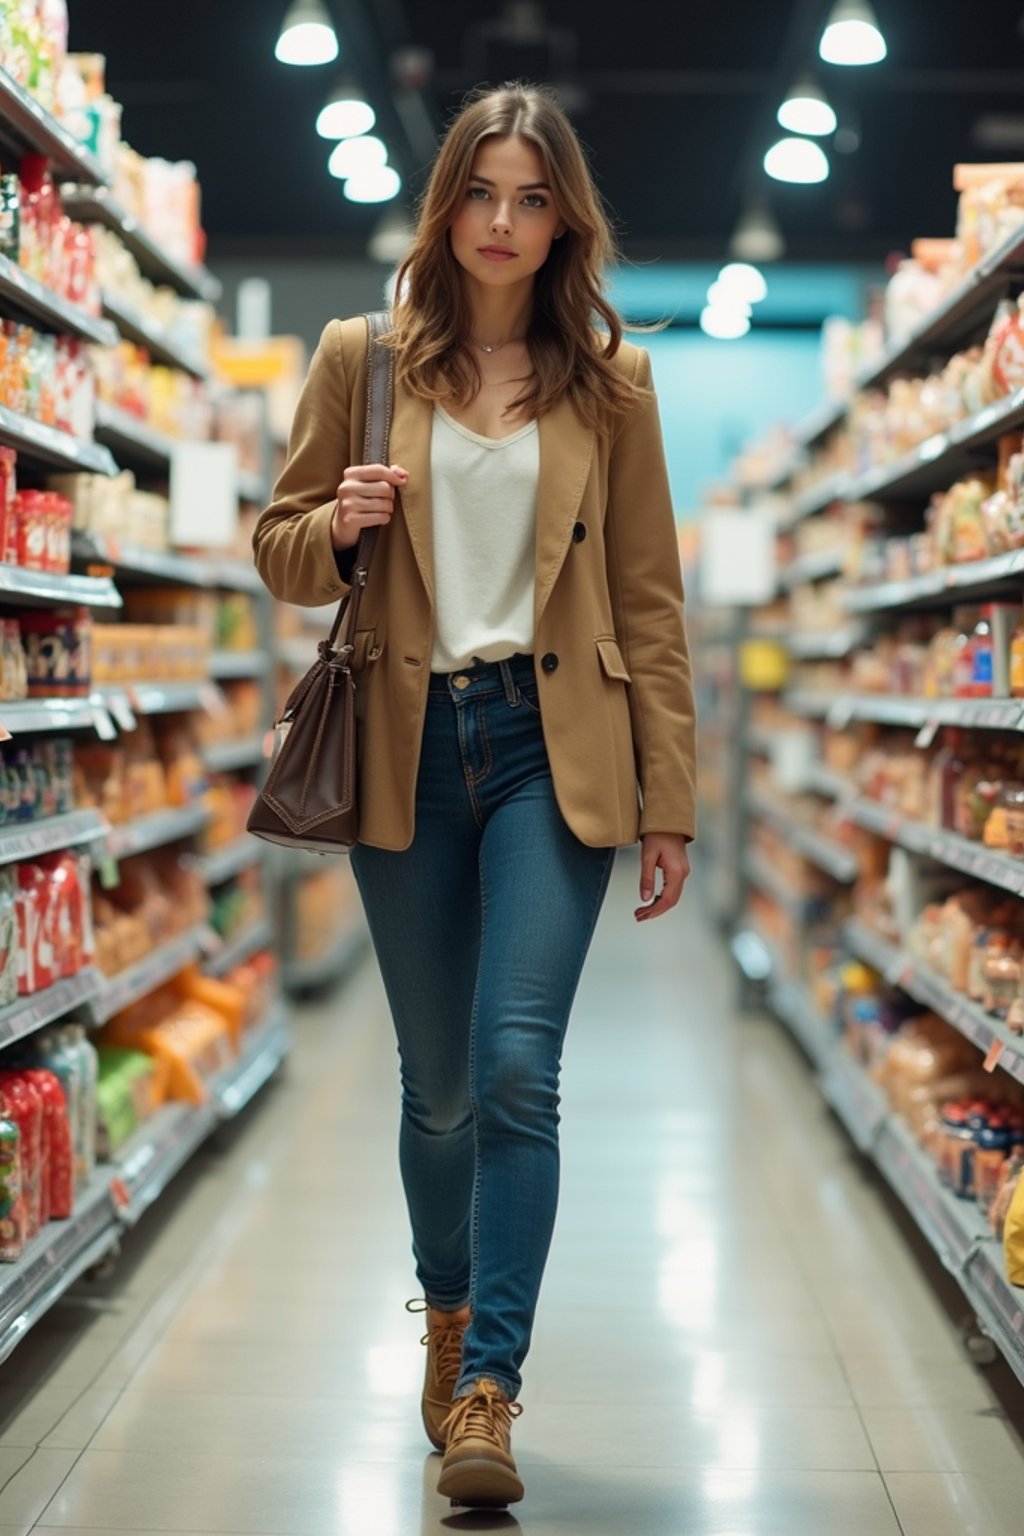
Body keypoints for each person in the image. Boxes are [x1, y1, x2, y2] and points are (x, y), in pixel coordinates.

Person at [253, 81, 697, 1510]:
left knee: (517, 1069)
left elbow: (650, 599)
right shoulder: (364, 357)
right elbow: (275, 542)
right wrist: (342, 524)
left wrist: (670, 797)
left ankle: (492, 1382)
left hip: (548, 753)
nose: (504, 223)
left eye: (534, 197)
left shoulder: (611, 385)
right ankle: (443, 1310)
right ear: (448, 201)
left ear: (566, 217)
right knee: (437, 1089)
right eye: (483, 193)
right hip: (406, 748)